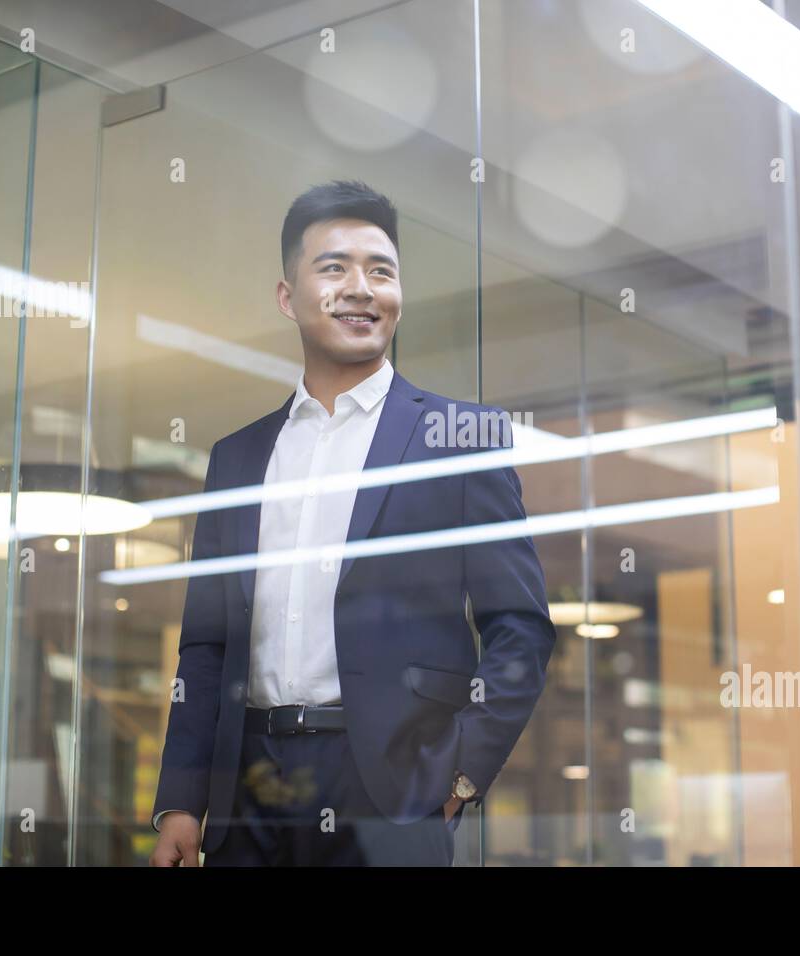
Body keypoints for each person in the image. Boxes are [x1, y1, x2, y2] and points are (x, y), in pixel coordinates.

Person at [149, 180, 555, 866]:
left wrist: (455, 779)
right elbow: (206, 649)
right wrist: (182, 801)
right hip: (250, 789)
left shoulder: (460, 436)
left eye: (381, 270)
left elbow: (522, 630)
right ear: (288, 296)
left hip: (391, 792)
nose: (361, 287)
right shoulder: (237, 458)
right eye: (334, 267)